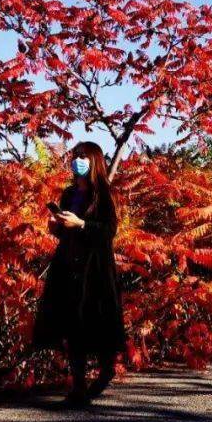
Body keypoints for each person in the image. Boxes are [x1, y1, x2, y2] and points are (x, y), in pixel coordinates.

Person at [32, 141, 126, 407]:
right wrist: (57, 226)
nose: (78, 161)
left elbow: (108, 232)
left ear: (94, 160)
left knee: (97, 322)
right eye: (75, 156)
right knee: (71, 325)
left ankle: (106, 370)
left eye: (83, 157)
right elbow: (65, 231)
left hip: (94, 269)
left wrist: (82, 224)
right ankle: (79, 388)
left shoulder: (104, 195)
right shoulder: (68, 193)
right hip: (68, 265)